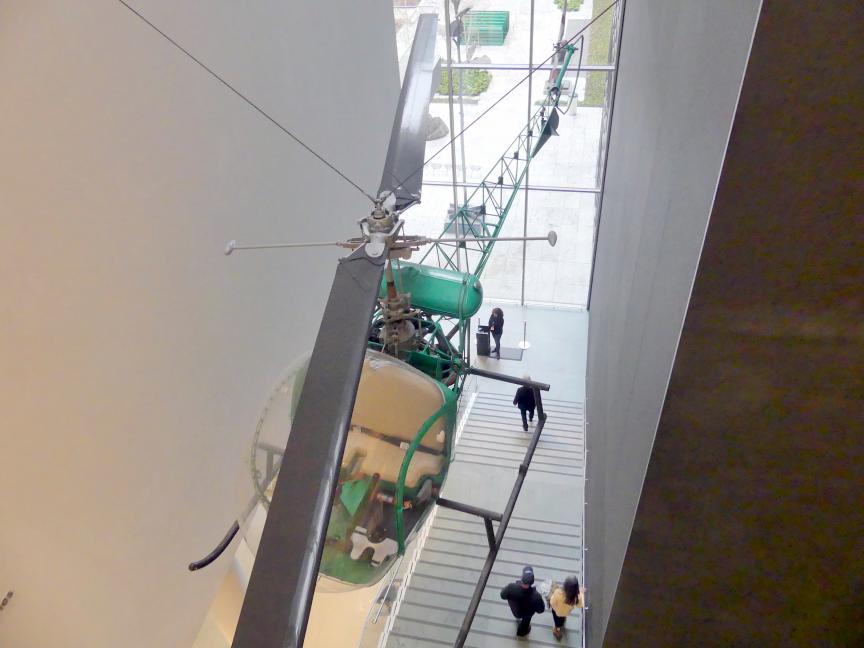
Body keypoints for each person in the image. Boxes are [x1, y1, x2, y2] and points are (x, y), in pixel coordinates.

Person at [500, 565, 545, 637]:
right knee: (527, 619)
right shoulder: (536, 596)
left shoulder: (511, 587)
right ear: (532, 581)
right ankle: (522, 632)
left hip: (515, 611)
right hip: (526, 613)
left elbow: (502, 596)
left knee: (520, 614)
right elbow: (540, 610)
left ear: (522, 577)